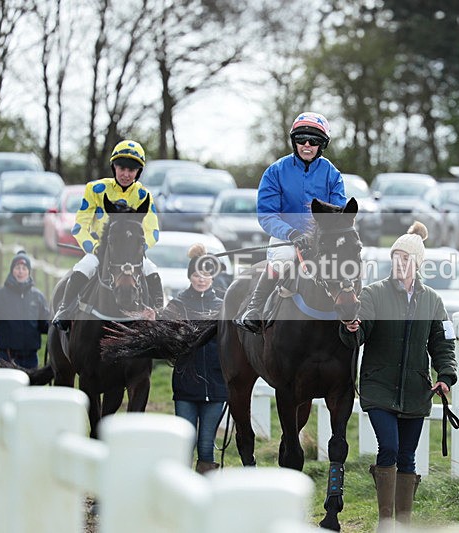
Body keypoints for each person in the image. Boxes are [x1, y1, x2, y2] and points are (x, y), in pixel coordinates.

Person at [338, 222, 457, 530]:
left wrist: (445, 375)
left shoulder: (432, 301)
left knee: (408, 456)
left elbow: (442, 342)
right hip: (379, 388)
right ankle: (385, 522)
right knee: (388, 447)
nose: (399, 264)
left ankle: (403, 524)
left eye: (406, 259)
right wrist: (352, 327)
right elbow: (357, 334)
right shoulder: (374, 294)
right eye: (396, 258)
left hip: (416, 390)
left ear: (417, 264)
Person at [235, 111, 346, 334]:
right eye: (301, 140)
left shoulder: (332, 174)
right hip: (287, 236)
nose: (306, 145)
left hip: (321, 238)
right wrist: (293, 234)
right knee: (284, 259)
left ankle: (350, 312)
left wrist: (320, 235)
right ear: (293, 142)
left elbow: (338, 214)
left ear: (321, 145)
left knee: (344, 262)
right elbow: (267, 215)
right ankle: (254, 309)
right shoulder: (275, 172)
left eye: (313, 141)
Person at [52, 140, 164, 330]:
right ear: (114, 167)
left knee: (152, 271)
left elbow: (152, 231)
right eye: (122, 168)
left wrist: (137, 249)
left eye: (132, 170)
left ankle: (160, 317)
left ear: (138, 172)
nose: (126, 174)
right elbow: (80, 227)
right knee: (83, 267)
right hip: (100, 251)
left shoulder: (144, 195)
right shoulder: (95, 189)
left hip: (131, 254)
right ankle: (64, 309)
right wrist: (96, 248)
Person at [162, 243, 226, 474]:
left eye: (206, 274)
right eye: (197, 274)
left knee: (206, 447)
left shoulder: (223, 306)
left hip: (216, 387)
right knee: (185, 444)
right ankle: (182, 489)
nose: (201, 279)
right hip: (186, 385)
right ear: (190, 276)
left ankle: (204, 494)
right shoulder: (177, 305)